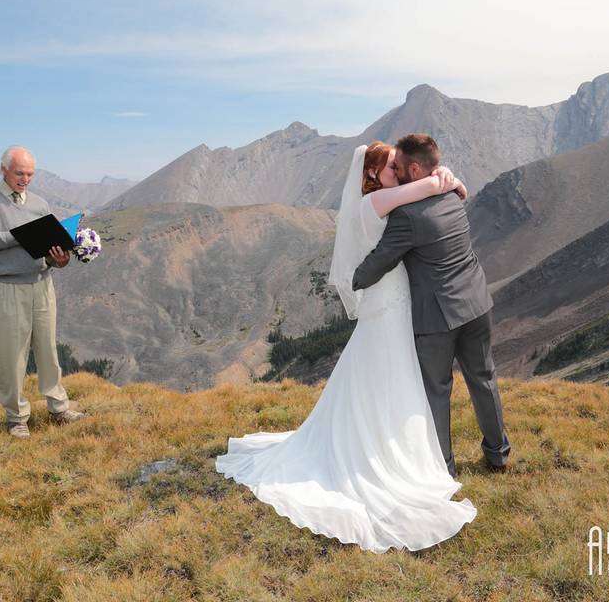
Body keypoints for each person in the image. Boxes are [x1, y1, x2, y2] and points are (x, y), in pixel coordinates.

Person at [215, 141, 477, 553]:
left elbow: (422, 185)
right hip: (389, 302)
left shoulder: (375, 198)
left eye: (397, 163)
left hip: (391, 299)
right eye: (391, 165)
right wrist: (450, 180)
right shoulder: (376, 203)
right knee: (389, 374)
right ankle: (389, 454)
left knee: (386, 375)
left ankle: (399, 444)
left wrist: (445, 178)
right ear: (372, 174)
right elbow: (424, 187)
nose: (398, 169)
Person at [353, 134, 511, 477]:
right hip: (477, 302)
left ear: (413, 168)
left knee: (438, 392)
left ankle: (445, 468)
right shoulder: (453, 193)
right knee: (484, 378)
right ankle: (498, 453)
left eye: (397, 167)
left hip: (438, 318)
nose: (394, 172)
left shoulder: (407, 215)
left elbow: (379, 262)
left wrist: (353, 280)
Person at [0, 145, 87, 439]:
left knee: (48, 350)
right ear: (3, 170)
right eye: (20, 173)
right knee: (11, 356)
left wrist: (58, 260)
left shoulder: (39, 203)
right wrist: (21, 235)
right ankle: (16, 418)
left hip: (42, 285)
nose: (25, 179)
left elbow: (47, 250)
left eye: (30, 174)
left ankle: (59, 409)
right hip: (8, 288)